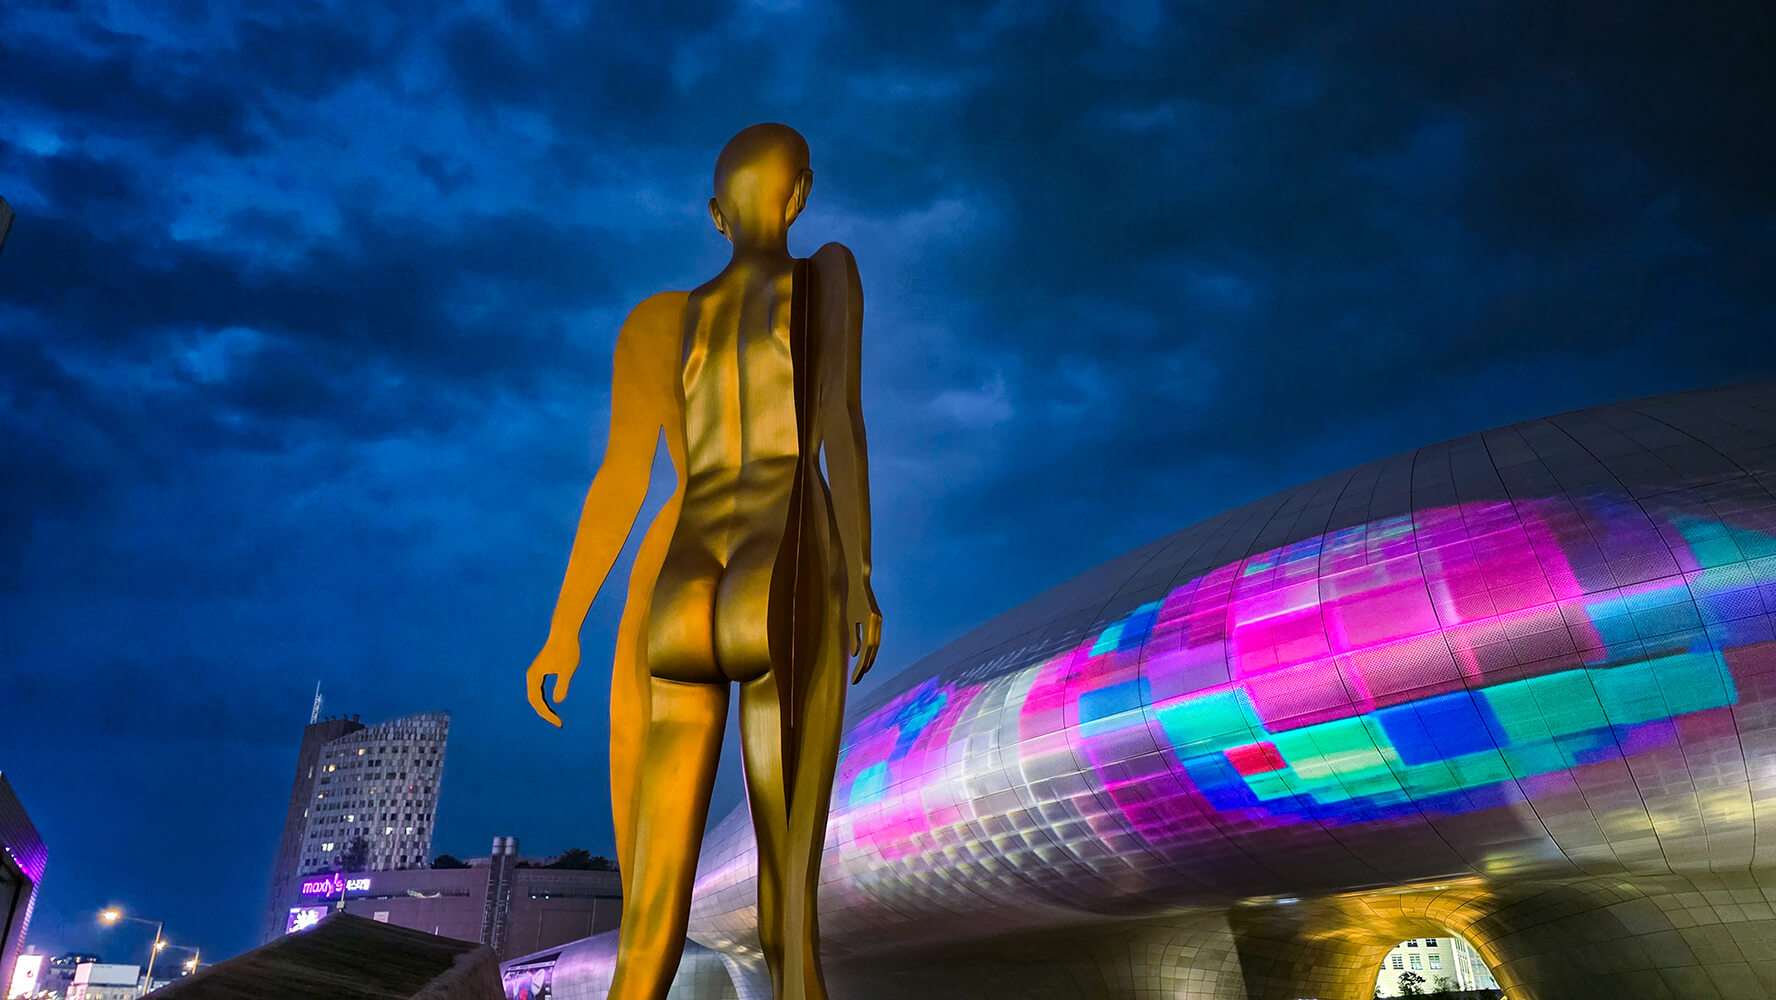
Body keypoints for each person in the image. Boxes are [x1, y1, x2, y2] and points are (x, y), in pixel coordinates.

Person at [526, 122, 880, 1000]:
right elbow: (838, 427)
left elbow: (618, 482)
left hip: (681, 586)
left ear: (715, 214)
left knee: (651, 919)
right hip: (780, 565)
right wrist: (862, 578)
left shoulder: (657, 322)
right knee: (786, 912)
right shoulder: (826, 277)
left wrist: (565, 629)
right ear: (799, 195)